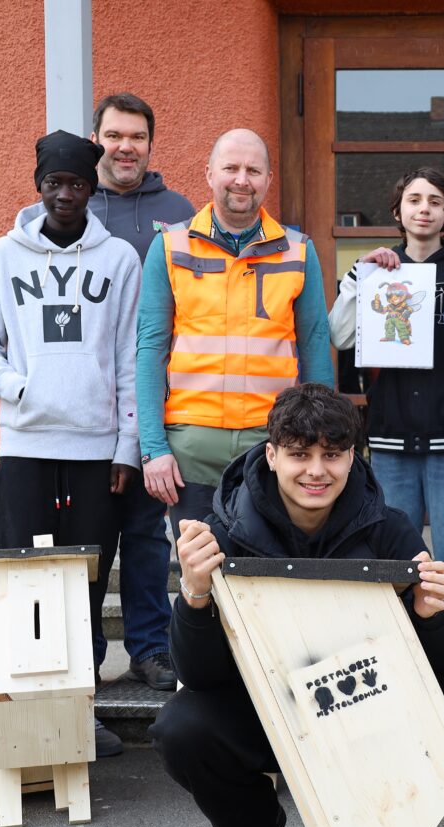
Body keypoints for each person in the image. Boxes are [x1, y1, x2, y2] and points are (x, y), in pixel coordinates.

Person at [151, 383, 444, 827]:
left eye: (332, 455)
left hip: (362, 703)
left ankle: (388, 819)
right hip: (265, 708)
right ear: (270, 455)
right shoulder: (220, 532)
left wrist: (431, 613)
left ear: (353, 457)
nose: (317, 471)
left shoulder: (388, 528)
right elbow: (198, 674)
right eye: (299, 455)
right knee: (181, 727)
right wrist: (195, 597)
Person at [0, 130, 142, 758]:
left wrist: (126, 448)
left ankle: (80, 710)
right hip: (26, 446)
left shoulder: (119, 260)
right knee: (18, 586)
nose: (65, 194)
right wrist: (14, 387)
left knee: (84, 589)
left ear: (93, 188)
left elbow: (128, 358)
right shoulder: (2, 257)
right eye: (53, 183)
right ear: (38, 186)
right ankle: (23, 719)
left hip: (94, 453)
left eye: (77, 184)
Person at [136, 128, 334, 538]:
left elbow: (316, 347)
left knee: (267, 575)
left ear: (268, 180)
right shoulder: (171, 246)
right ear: (209, 174)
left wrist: (323, 441)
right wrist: (153, 448)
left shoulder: (298, 250)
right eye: (231, 168)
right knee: (199, 573)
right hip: (191, 448)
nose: (242, 179)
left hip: (272, 446)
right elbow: (150, 350)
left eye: (253, 170)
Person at [87, 92, 196, 693]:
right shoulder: (70, 207)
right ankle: (88, 654)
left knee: (149, 534)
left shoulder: (178, 212)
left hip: (158, 398)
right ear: (96, 139)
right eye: (114, 135)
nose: (125, 146)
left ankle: (151, 649)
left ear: (151, 145)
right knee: (92, 535)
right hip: (89, 405)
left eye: (137, 137)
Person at [329, 167, 444, 565]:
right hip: (390, 436)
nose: (424, 210)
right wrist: (357, 279)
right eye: (414, 200)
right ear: (398, 211)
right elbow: (340, 336)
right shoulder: (379, 267)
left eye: (435, 202)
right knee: (394, 556)